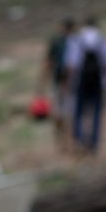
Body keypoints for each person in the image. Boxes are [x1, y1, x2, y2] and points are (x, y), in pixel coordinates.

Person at [64, 17, 106, 156]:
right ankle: (94, 143)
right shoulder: (103, 40)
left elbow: (72, 66)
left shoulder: (76, 40)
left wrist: (69, 84)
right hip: (97, 81)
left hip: (81, 81)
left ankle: (80, 139)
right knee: (97, 112)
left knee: (79, 112)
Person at [41, 17, 77, 150]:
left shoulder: (59, 42)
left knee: (60, 114)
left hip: (61, 83)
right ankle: (67, 141)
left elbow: (48, 63)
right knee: (68, 114)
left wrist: (42, 83)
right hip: (71, 85)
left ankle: (62, 142)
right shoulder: (74, 42)